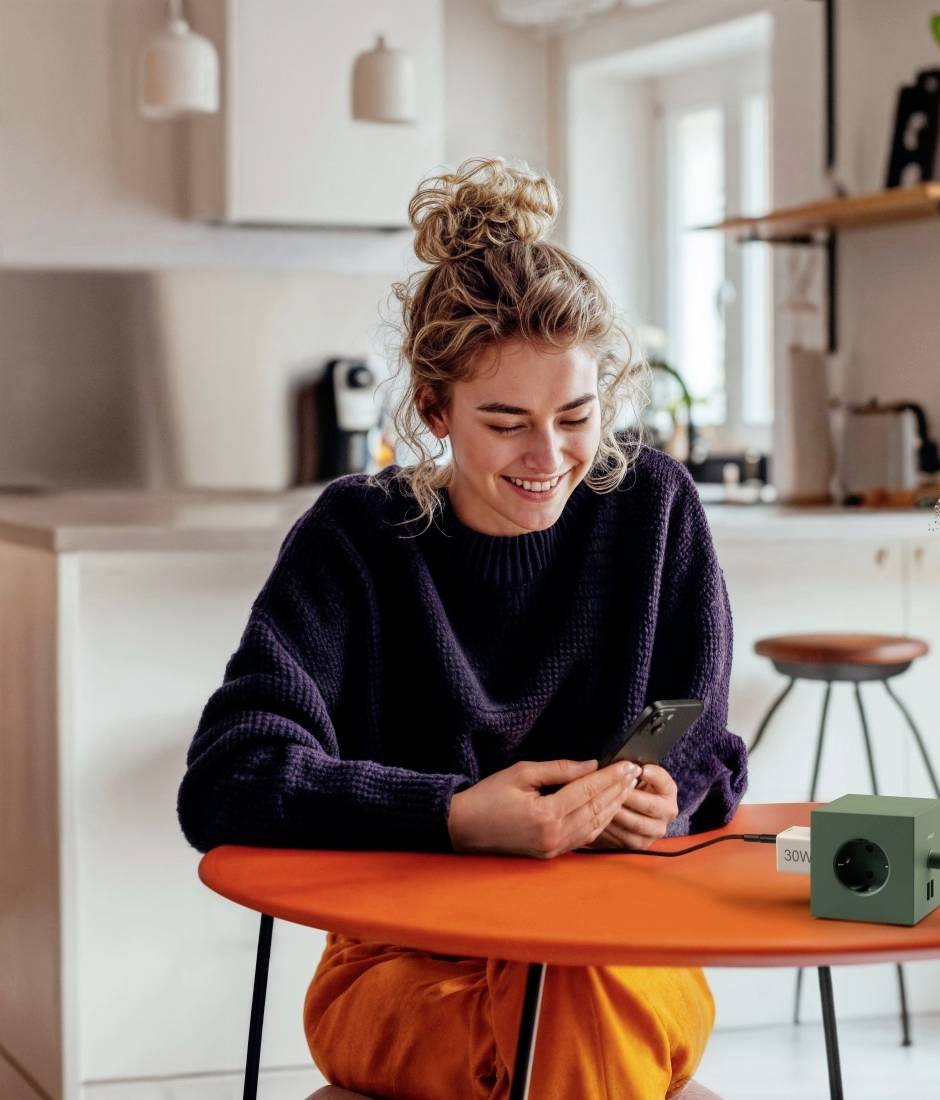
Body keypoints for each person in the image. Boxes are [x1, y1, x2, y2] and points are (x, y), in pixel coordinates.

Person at [177, 155, 747, 1100]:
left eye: (577, 415)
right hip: (400, 960)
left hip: (617, 951)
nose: (551, 457)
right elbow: (228, 779)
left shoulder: (654, 509)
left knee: (559, 1004)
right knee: (542, 1034)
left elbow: (706, 741)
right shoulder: (356, 538)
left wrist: (662, 791)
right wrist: (449, 816)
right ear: (435, 410)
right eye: (506, 422)